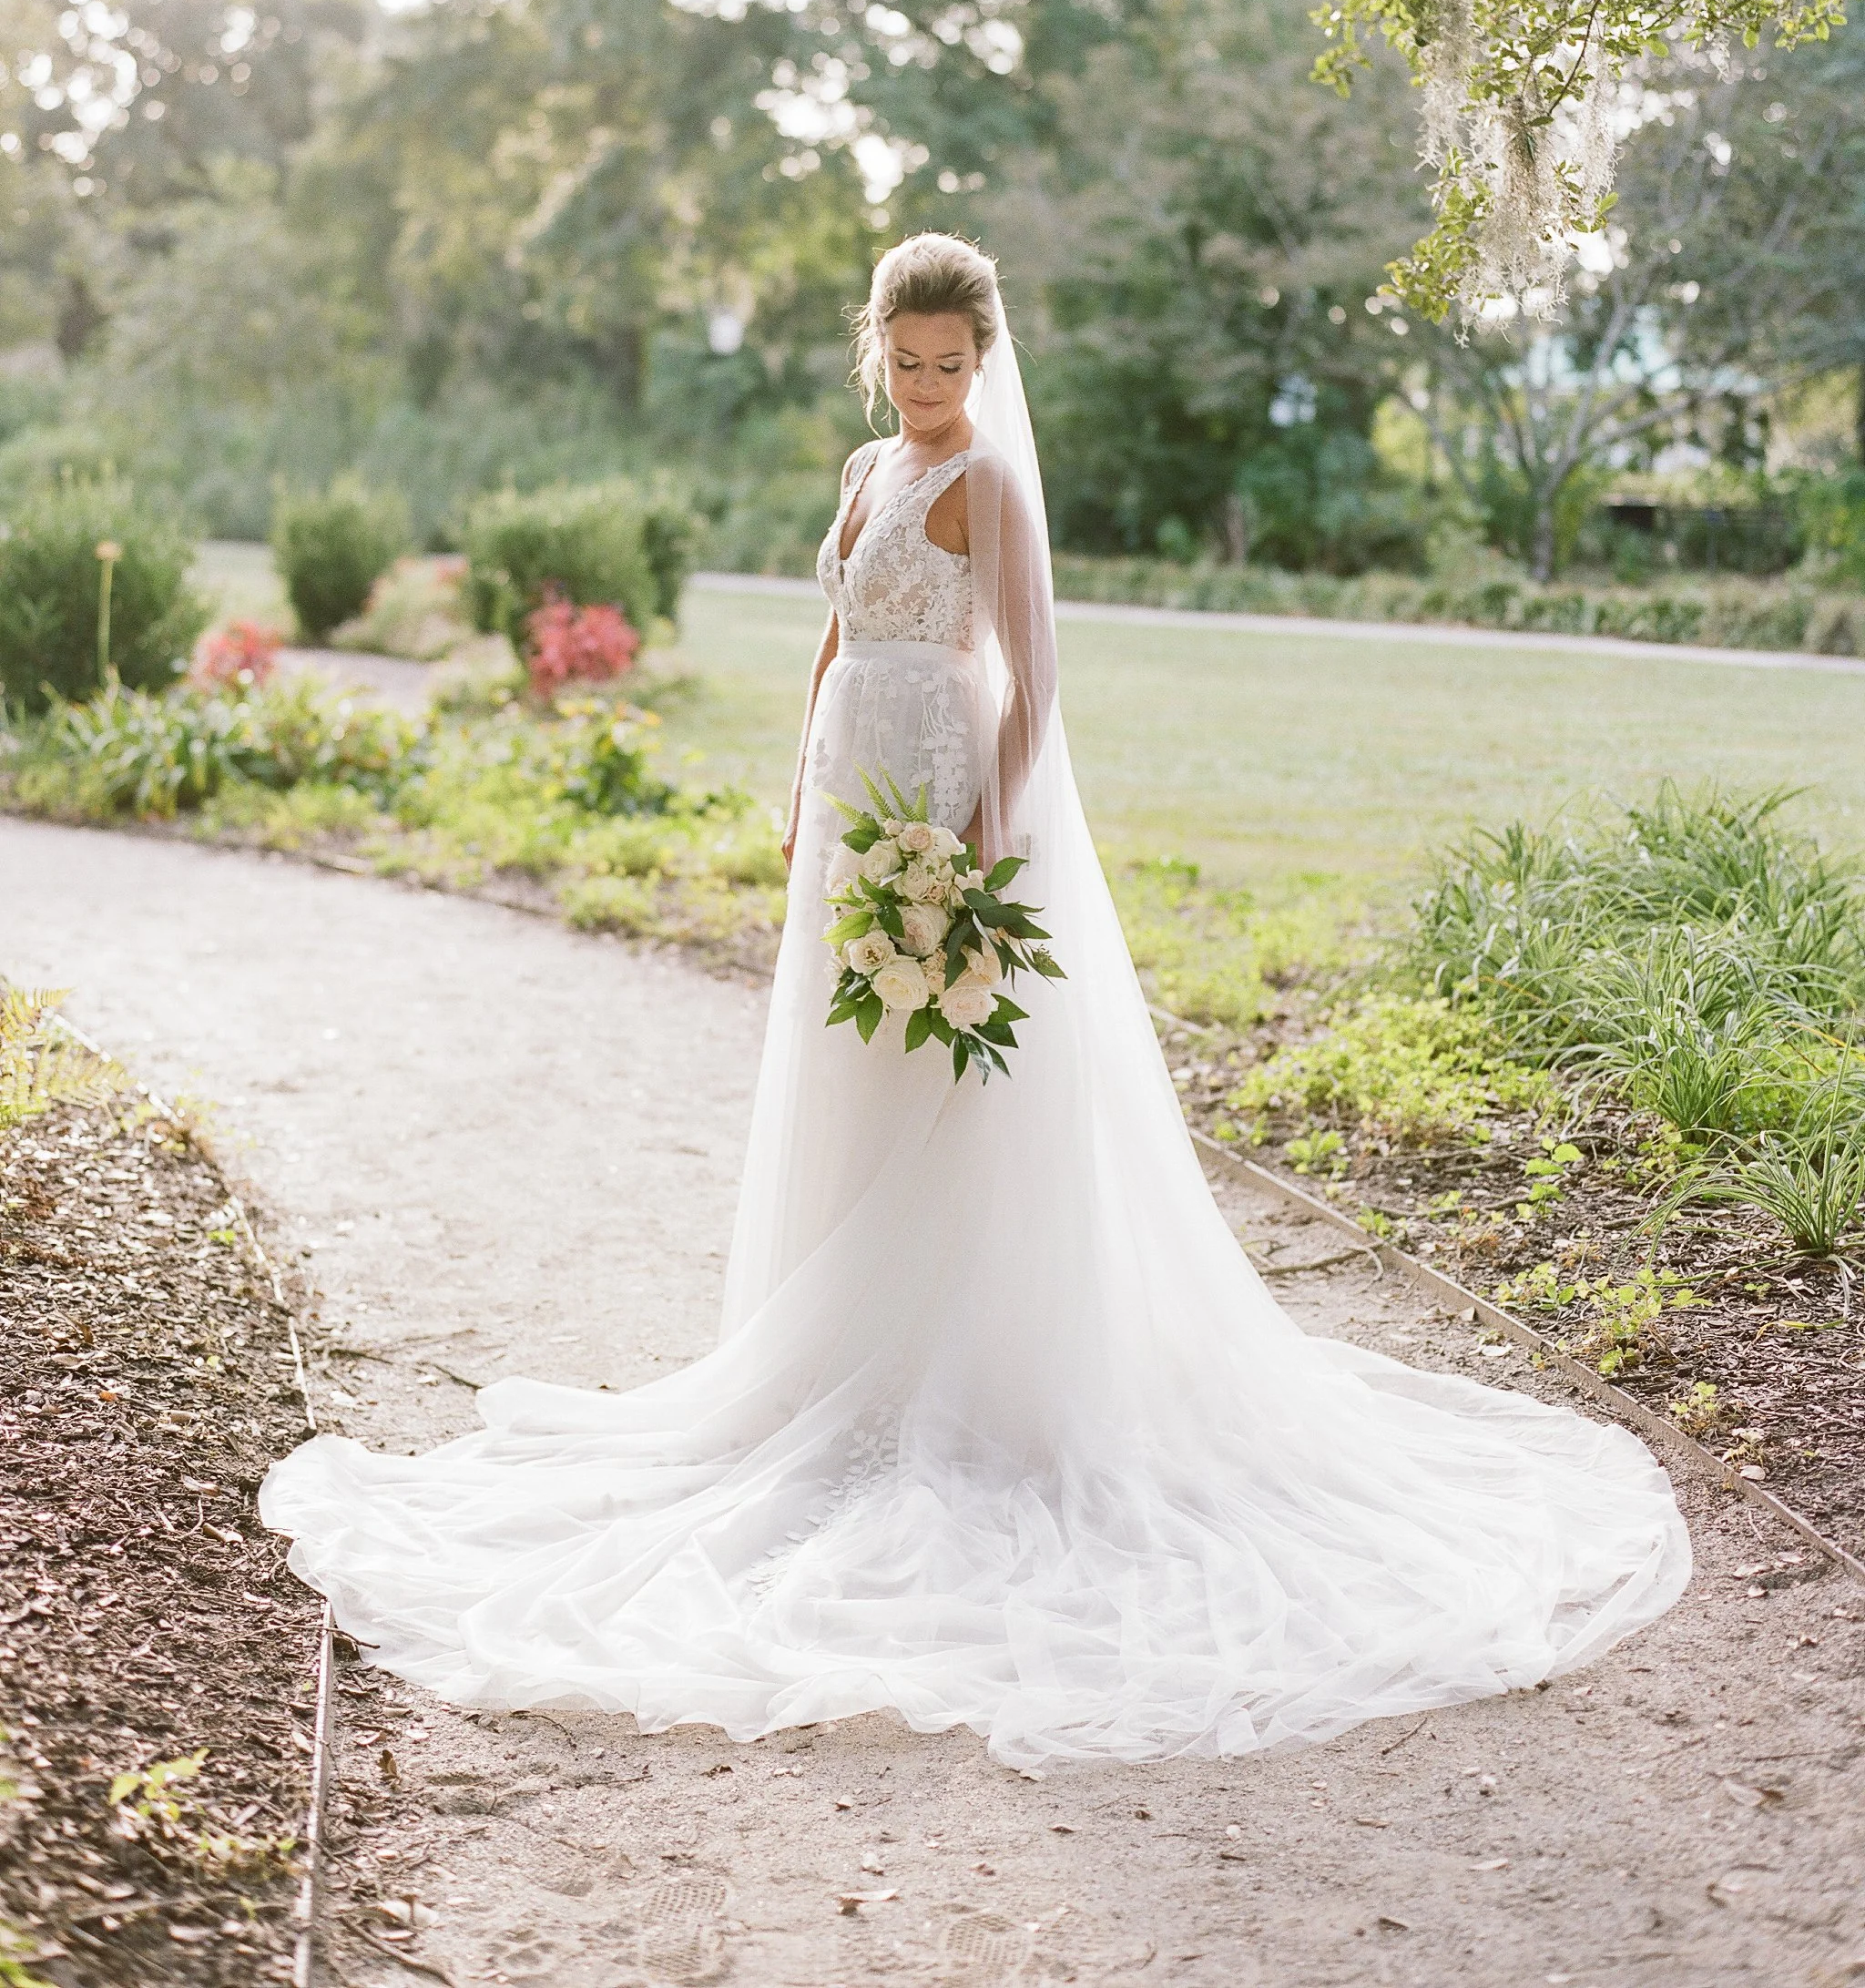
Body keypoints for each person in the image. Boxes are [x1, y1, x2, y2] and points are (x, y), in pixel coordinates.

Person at [261, 232, 1689, 1769]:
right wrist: (797, 787)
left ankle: (961, 1368)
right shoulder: (870, 466)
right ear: (874, 346)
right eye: (909, 361)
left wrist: (986, 830)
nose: (931, 388)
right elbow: (832, 635)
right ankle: (827, 1348)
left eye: (954, 367)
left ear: (980, 364)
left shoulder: (985, 485)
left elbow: (1037, 670)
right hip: (848, 780)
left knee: (947, 1063)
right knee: (844, 1057)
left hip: (938, 789)